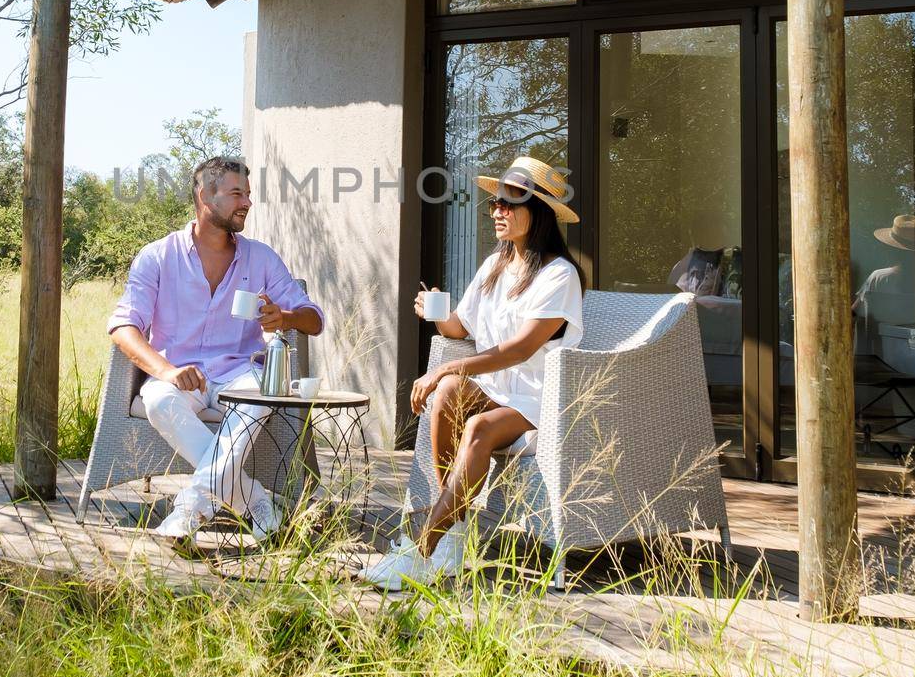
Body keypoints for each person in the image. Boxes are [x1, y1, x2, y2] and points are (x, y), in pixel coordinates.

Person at [363, 154, 584, 592]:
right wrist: (435, 313)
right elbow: (460, 329)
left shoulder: (559, 275)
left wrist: (447, 365)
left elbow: (521, 349)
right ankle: (456, 532)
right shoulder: (495, 266)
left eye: (509, 202)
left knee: (478, 426)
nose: (498, 211)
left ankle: (421, 548)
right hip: (495, 387)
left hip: (539, 396)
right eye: (495, 203)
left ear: (538, 211)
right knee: (447, 394)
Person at [108, 156, 324, 544]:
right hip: (180, 375)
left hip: (240, 374)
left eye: (248, 194)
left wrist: (286, 317)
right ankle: (257, 501)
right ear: (205, 195)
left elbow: (315, 320)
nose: (247, 203)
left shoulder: (260, 257)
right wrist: (167, 371)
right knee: (158, 400)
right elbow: (123, 327)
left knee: (257, 396)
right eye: (237, 193)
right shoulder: (157, 256)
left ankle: (191, 508)